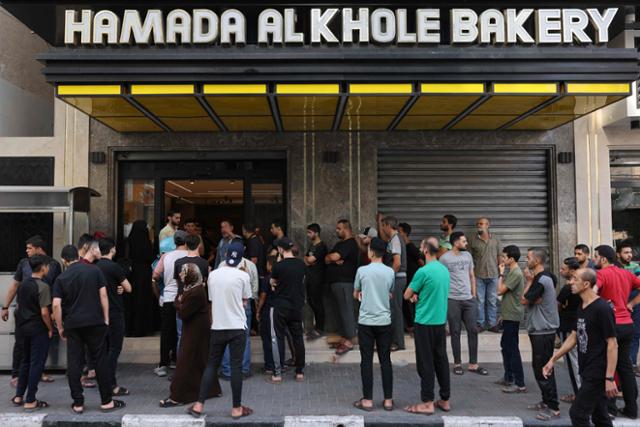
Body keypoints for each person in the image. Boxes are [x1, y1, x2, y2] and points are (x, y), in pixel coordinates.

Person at [52, 245, 125, 414]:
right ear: (78, 256)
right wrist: (106, 318)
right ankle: (106, 401)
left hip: (73, 325)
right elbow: (103, 295)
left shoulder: (61, 278)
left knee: (74, 362)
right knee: (100, 360)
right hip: (95, 322)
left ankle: (78, 403)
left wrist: (61, 326)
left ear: (64, 260)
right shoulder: (94, 271)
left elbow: (56, 305)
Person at [542, 268, 618, 427]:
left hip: (597, 370)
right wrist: (553, 359)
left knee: (577, 414)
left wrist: (609, 377)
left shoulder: (602, 309)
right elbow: (574, 336)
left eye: (574, 279)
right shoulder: (582, 307)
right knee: (600, 416)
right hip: (586, 367)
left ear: (586, 284)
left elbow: (612, 344)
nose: (570, 282)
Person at [189, 242, 253, 419]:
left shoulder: (213, 275)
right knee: (236, 367)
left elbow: (212, 299)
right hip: (237, 327)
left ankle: (199, 405)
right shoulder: (243, 276)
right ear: (240, 259)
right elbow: (246, 300)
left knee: (211, 365)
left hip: (218, 327)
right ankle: (236, 408)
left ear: (225, 256)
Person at [159, 263, 221, 407]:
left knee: (185, 361)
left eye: (183, 273)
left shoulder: (195, 292)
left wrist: (179, 302)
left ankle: (177, 396)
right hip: (195, 329)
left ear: (191, 275)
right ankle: (212, 390)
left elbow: (183, 313)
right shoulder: (192, 288)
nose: (180, 275)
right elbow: (181, 305)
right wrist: (179, 302)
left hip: (196, 331)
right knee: (201, 359)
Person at [2, 235, 61, 387]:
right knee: (20, 344)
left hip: (45, 310)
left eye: (29, 248)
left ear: (39, 248)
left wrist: (55, 310)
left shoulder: (53, 264)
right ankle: (16, 374)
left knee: (43, 343)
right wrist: (5, 306)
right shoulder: (23, 263)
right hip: (24, 311)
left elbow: (57, 288)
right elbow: (14, 286)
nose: (27, 251)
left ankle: (40, 371)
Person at [403, 240, 451, 415]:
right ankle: (445, 399)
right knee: (441, 361)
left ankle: (427, 402)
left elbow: (407, 294)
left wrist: (415, 296)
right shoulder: (444, 270)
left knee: (426, 362)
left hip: (424, 323)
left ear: (424, 250)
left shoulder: (422, 272)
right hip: (440, 322)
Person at [593, 244, 640, 419]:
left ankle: (609, 409)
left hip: (611, 326)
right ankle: (632, 409)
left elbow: (593, 292)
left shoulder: (601, 274)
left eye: (596, 257)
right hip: (627, 325)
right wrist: (630, 304)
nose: (594, 260)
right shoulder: (626, 273)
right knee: (625, 367)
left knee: (607, 366)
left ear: (604, 259)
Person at [351, 237, 395, 412]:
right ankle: (388, 400)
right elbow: (390, 293)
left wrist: (363, 295)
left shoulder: (362, 271)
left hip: (366, 321)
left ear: (371, 251)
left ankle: (368, 400)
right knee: (386, 360)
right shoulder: (390, 272)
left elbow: (356, 294)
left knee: (366, 361)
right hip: (384, 321)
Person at [440, 232, 486, 376]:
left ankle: (473, 364)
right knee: (455, 331)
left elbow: (472, 275)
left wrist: (473, 295)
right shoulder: (444, 258)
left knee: (473, 330)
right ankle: (457, 363)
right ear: (455, 242)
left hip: (468, 300)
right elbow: (441, 279)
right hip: (452, 299)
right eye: (464, 241)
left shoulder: (467, 256)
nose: (466, 243)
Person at [522, 248, 560, 422]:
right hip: (539, 329)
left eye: (529, 257)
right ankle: (546, 401)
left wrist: (528, 281)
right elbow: (531, 299)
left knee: (543, 369)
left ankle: (553, 407)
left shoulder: (540, 280)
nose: (526, 260)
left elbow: (524, 299)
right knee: (540, 367)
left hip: (543, 331)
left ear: (536, 261)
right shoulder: (546, 277)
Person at [11, 255, 54, 410]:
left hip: (23, 329)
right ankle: (30, 400)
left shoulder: (23, 284)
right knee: (37, 364)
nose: (48, 268)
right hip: (37, 329)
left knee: (25, 362)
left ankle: (18, 396)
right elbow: (44, 313)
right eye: (47, 266)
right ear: (43, 268)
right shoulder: (43, 287)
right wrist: (50, 328)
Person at [96, 238, 132, 397]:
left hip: (98, 314)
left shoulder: (95, 267)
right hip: (115, 312)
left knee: (102, 349)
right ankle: (110, 384)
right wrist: (120, 287)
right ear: (112, 249)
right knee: (114, 349)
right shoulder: (115, 267)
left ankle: (102, 380)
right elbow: (128, 288)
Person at [268, 237, 306, 384]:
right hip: (296, 306)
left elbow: (273, 281)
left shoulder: (279, 266)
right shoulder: (301, 265)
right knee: (297, 338)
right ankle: (300, 371)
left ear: (280, 249)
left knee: (277, 338)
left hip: (280, 305)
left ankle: (277, 373)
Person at [152, 231, 188, 377]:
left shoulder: (166, 256)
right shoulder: (190, 255)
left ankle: (163, 363)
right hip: (184, 297)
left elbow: (155, 275)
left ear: (175, 241)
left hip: (168, 297)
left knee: (167, 331)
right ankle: (178, 359)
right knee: (183, 330)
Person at [220, 255, 258, 380]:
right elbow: (255, 288)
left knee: (225, 336)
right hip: (245, 303)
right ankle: (244, 369)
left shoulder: (222, 265)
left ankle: (227, 370)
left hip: (227, 304)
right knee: (244, 338)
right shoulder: (251, 265)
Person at [325, 219, 360, 355]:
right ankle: (345, 338)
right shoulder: (340, 244)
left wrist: (332, 258)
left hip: (345, 283)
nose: (337, 231)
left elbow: (333, 257)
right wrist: (331, 258)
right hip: (337, 283)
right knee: (340, 312)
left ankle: (350, 341)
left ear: (346, 229)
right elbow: (328, 258)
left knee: (346, 311)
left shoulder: (349, 243)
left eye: (339, 228)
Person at [496, 245, 526, 394]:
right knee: (505, 345)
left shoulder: (515, 273)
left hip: (513, 315)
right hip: (509, 314)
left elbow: (500, 290)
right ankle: (509, 377)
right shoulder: (513, 272)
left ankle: (519, 382)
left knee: (512, 348)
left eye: (504, 257)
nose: (502, 259)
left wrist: (500, 274)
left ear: (511, 259)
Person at [174, 234, 210, 352]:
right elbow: (205, 282)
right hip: (199, 303)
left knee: (181, 335)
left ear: (185, 245)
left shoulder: (178, 262)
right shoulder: (204, 263)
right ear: (199, 245)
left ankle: (182, 365)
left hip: (182, 300)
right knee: (200, 336)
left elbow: (177, 282)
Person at [378, 215, 407, 351]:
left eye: (384, 226)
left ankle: (397, 342)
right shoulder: (393, 239)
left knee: (395, 311)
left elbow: (397, 263)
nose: (383, 229)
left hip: (397, 279)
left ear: (389, 226)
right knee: (393, 310)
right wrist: (379, 221)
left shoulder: (395, 240)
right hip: (397, 278)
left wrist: (387, 279)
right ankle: (395, 341)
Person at [556, 257, 582, 402]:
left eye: (563, 269)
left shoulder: (568, 288)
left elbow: (558, 304)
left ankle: (579, 395)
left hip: (568, 327)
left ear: (572, 271)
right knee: (578, 360)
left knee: (572, 362)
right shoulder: (586, 284)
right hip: (579, 326)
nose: (561, 271)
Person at [468, 217, 501, 333]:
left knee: (492, 301)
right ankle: (480, 324)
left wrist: (500, 272)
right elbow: (469, 258)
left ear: (488, 225)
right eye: (478, 224)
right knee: (479, 301)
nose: (480, 225)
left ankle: (492, 324)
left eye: (482, 224)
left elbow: (499, 256)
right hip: (479, 275)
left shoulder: (496, 239)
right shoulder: (472, 240)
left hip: (493, 274)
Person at [125, 220, 156, 337]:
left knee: (133, 301)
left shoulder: (129, 240)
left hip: (132, 274)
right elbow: (151, 257)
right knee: (143, 300)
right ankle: (142, 328)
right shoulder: (146, 242)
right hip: (144, 273)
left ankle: (131, 328)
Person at [617, 241, 640, 374]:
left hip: (635, 302)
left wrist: (632, 303)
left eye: (630, 252)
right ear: (618, 254)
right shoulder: (616, 267)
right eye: (626, 252)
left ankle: (631, 362)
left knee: (635, 333)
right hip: (620, 302)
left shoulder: (635, 266)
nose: (629, 255)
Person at [398, 222, 424, 333]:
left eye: (399, 231)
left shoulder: (411, 247)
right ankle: (409, 325)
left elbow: (421, 262)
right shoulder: (402, 247)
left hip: (413, 281)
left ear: (404, 232)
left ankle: (414, 326)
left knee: (412, 303)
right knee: (406, 303)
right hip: (406, 279)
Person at [304, 223, 328, 338]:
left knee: (317, 303)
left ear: (316, 233)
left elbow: (310, 260)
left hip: (318, 278)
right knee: (311, 301)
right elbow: (306, 259)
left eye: (310, 232)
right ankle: (316, 327)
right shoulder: (312, 246)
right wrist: (308, 260)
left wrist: (309, 260)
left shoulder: (321, 246)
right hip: (310, 278)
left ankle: (320, 328)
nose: (308, 235)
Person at [257, 256, 278, 374]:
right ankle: (279, 363)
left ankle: (270, 366)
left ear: (270, 265)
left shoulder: (267, 279)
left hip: (268, 310)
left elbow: (263, 296)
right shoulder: (281, 278)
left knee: (267, 338)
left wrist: (258, 310)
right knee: (278, 337)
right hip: (279, 310)